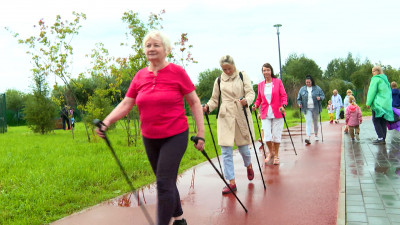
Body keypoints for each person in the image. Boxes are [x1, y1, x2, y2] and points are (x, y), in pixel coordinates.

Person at [95, 30, 204, 225]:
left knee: (163, 183)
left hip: (175, 134)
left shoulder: (178, 72)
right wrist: (107, 121)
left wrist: (201, 133)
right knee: (166, 180)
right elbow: (127, 103)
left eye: (156, 45)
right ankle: (179, 219)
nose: (151, 49)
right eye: (148, 45)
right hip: (150, 137)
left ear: (166, 49)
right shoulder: (140, 76)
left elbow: (194, 102)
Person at [203, 55, 255, 195]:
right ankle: (231, 182)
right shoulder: (219, 80)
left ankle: (248, 165)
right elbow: (214, 99)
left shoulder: (242, 76)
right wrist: (208, 107)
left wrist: (247, 101)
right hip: (225, 116)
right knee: (226, 151)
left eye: (229, 69)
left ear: (234, 66)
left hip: (240, 113)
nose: (226, 71)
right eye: (224, 69)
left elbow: (250, 93)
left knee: (244, 149)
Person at [252, 63, 287, 165]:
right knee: (266, 136)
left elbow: (284, 96)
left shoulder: (278, 82)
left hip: (277, 112)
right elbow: (258, 99)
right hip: (265, 113)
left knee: (276, 135)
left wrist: (283, 105)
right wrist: (255, 105)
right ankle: (271, 153)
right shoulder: (260, 85)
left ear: (271, 71)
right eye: (264, 70)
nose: (266, 72)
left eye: (268, 70)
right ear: (262, 72)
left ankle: (276, 155)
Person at [366, 66, 394, 145]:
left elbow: (372, 92)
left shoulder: (375, 79)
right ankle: (383, 137)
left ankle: (380, 138)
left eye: (374, 71)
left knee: (376, 120)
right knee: (383, 121)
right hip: (386, 104)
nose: (372, 73)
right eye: (372, 71)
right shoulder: (385, 80)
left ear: (378, 71)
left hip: (378, 104)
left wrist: (368, 103)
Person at [296, 75, 325, 144]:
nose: (307, 83)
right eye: (306, 82)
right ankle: (308, 137)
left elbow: (323, 96)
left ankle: (316, 134)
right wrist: (299, 103)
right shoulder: (302, 89)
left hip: (316, 108)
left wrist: (320, 98)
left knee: (315, 122)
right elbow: (299, 98)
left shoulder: (317, 88)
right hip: (306, 108)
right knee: (308, 122)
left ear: (312, 82)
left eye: (309, 82)